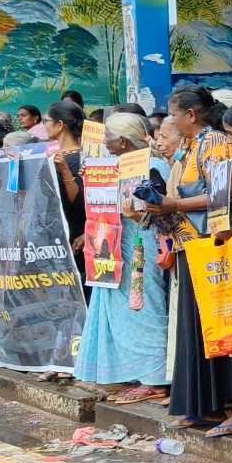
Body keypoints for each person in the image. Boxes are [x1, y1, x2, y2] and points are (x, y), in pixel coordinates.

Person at [142, 85, 232, 435]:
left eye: (173, 114)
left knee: (217, 325)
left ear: (191, 115)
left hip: (211, 246)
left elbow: (219, 196)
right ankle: (204, 406)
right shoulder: (189, 148)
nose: (170, 120)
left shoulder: (215, 142)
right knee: (194, 328)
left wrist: (174, 205)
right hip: (190, 246)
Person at [75, 113, 171, 403]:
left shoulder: (153, 166)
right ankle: (133, 373)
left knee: (144, 306)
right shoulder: (113, 166)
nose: (104, 142)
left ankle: (155, 377)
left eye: (108, 137)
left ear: (122, 140)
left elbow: (158, 207)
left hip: (141, 243)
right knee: (122, 312)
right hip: (114, 245)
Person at [43, 101, 89, 299]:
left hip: (75, 232)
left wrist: (64, 170)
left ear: (60, 125)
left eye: (46, 121)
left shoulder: (78, 157)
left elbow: (78, 201)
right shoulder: (51, 154)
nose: (44, 125)